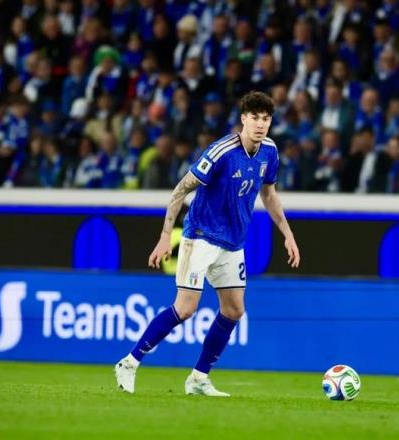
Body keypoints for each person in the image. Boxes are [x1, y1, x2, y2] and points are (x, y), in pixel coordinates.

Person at [115, 91, 300, 396]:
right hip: (200, 236)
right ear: (243, 119)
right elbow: (180, 190)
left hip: (233, 243)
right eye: (254, 118)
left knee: (234, 310)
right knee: (186, 308)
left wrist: (288, 234)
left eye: (266, 119)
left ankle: (198, 378)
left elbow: (269, 194)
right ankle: (129, 362)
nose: (260, 124)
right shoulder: (221, 152)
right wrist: (165, 236)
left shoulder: (269, 151)